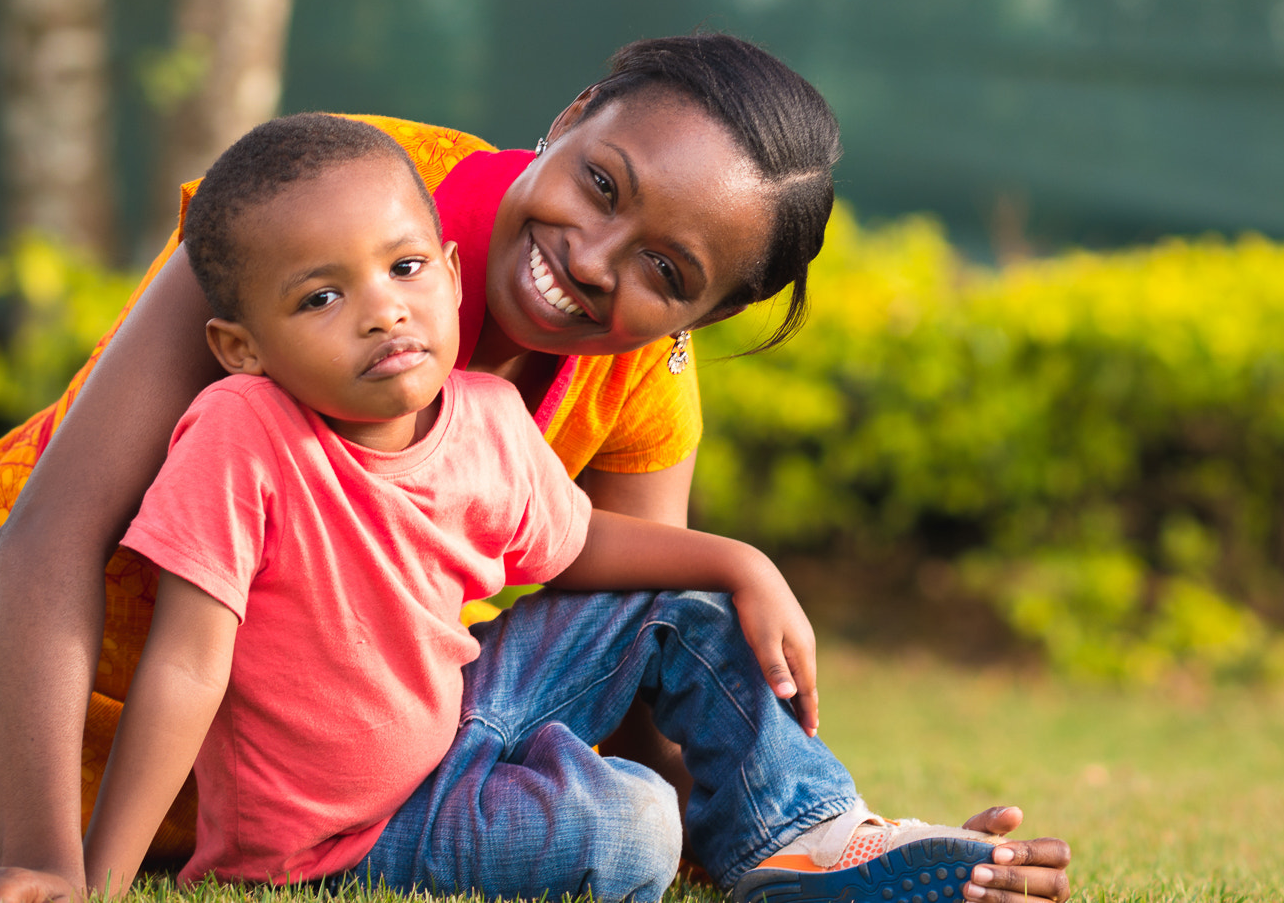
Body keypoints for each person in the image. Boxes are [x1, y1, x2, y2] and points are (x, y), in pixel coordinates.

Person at [0, 34, 1070, 903]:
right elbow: (52, 535)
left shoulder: (641, 383)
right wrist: (50, 865)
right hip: (60, 680)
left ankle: (810, 847)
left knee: (683, 618)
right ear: (571, 117)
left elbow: (621, 646)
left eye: (667, 275)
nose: (593, 258)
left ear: (699, 320)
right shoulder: (337, 204)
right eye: (601, 185)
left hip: (341, 735)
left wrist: (779, 822)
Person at [81, 113, 995, 900]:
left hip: (454, 730)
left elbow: (579, 547)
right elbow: (187, 666)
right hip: (332, 840)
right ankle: (603, 810)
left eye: (404, 269)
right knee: (632, 822)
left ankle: (812, 837)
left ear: (446, 268)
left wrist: (743, 563)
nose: (382, 312)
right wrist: (93, 881)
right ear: (241, 345)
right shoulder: (243, 430)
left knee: (690, 604)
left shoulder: (485, 414)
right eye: (322, 296)